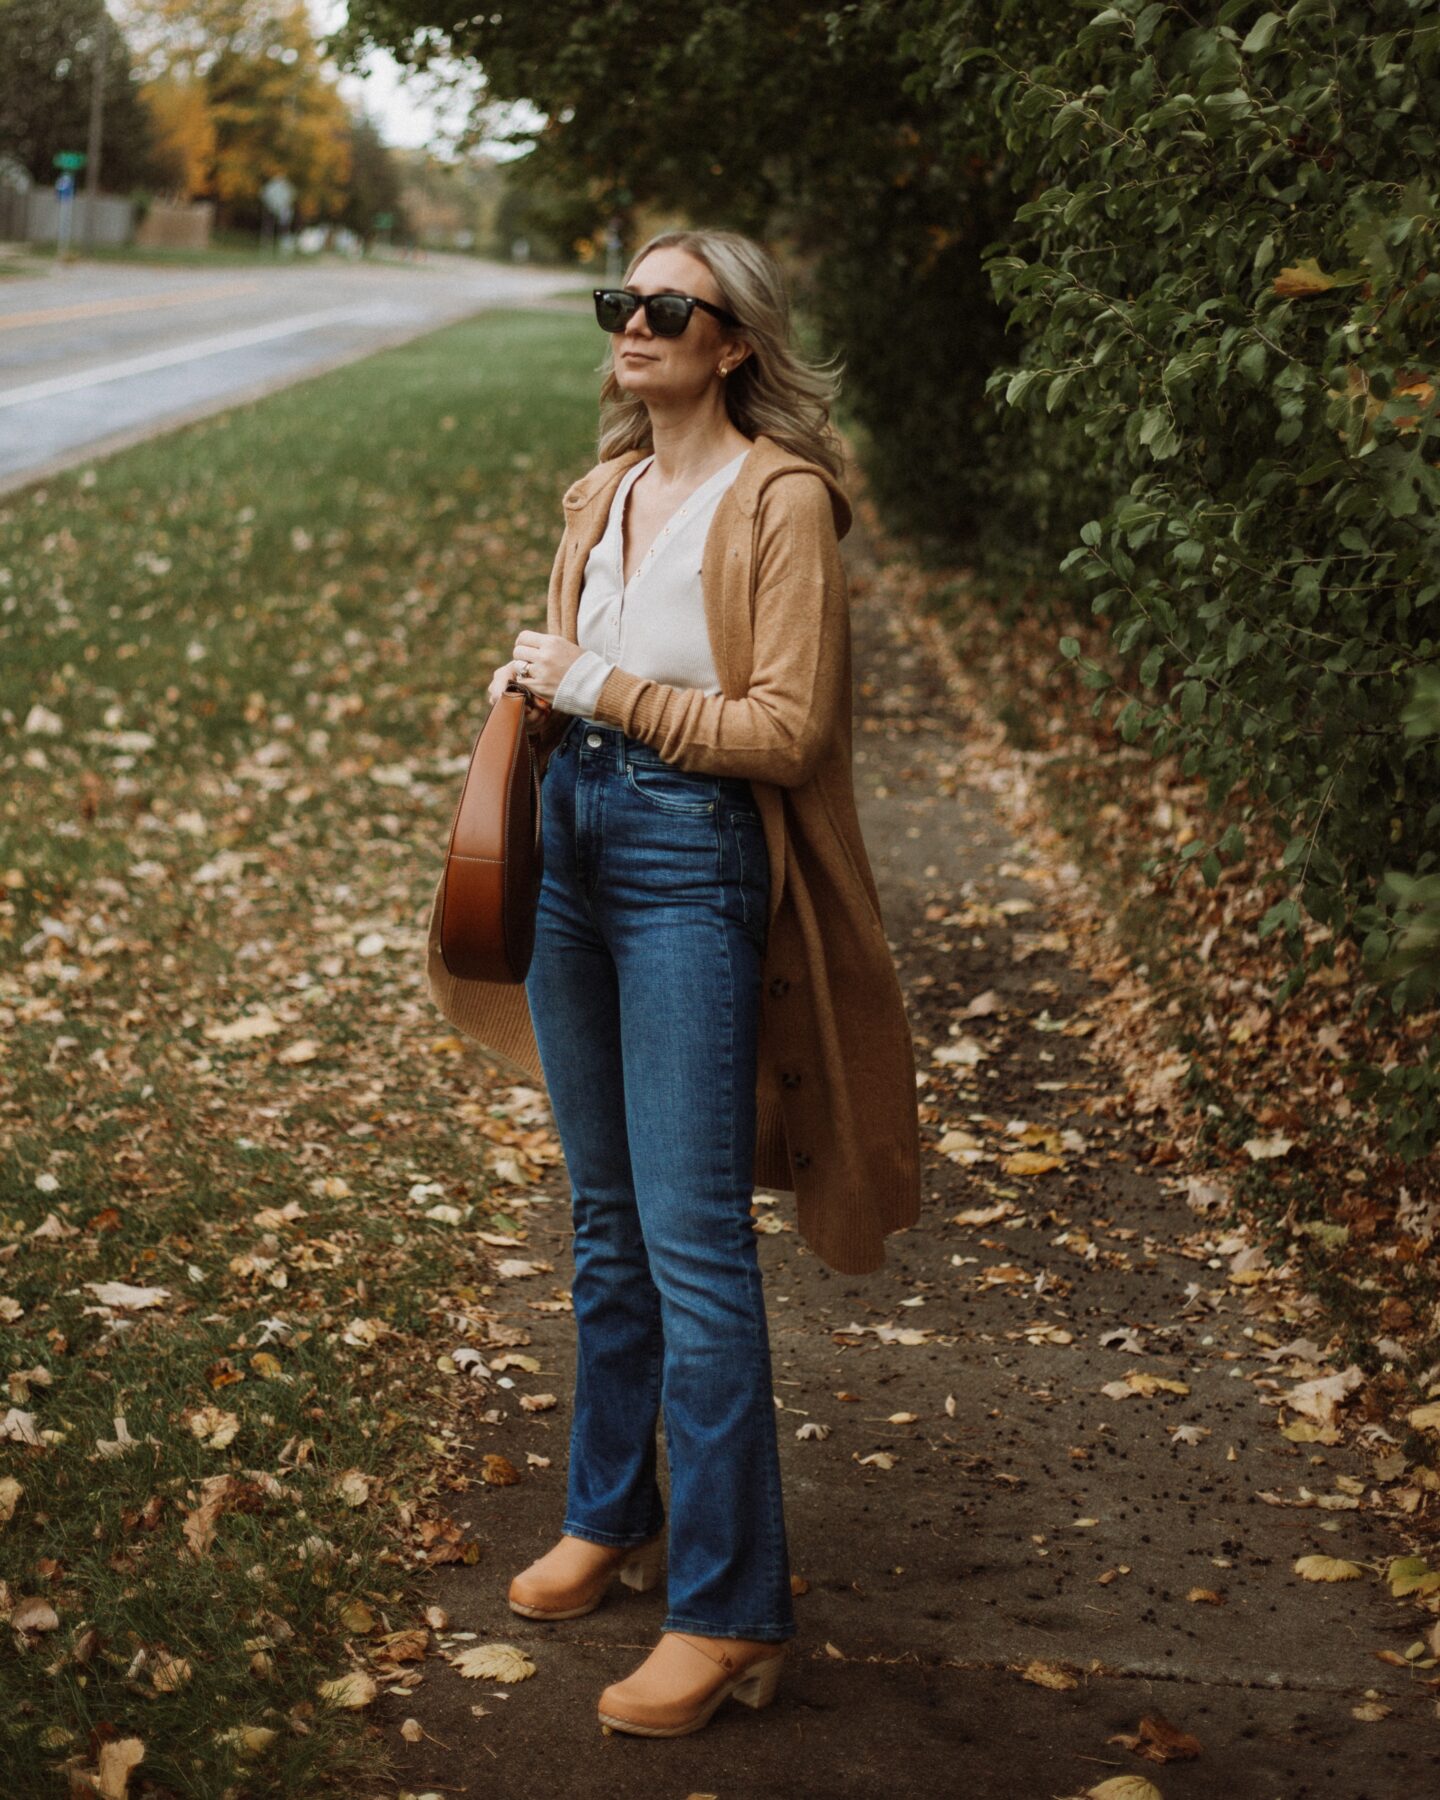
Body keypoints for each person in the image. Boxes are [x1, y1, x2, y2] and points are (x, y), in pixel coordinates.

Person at [424, 226, 921, 1738]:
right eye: (620, 304)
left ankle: (730, 1609)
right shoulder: (606, 489)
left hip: (690, 859)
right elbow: (583, 667)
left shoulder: (782, 503)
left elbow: (789, 731)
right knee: (601, 1218)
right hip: (571, 840)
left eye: (667, 307)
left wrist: (598, 686)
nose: (632, 324)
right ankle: (609, 1514)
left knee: (696, 1238)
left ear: (734, 346)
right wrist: (541, 679)